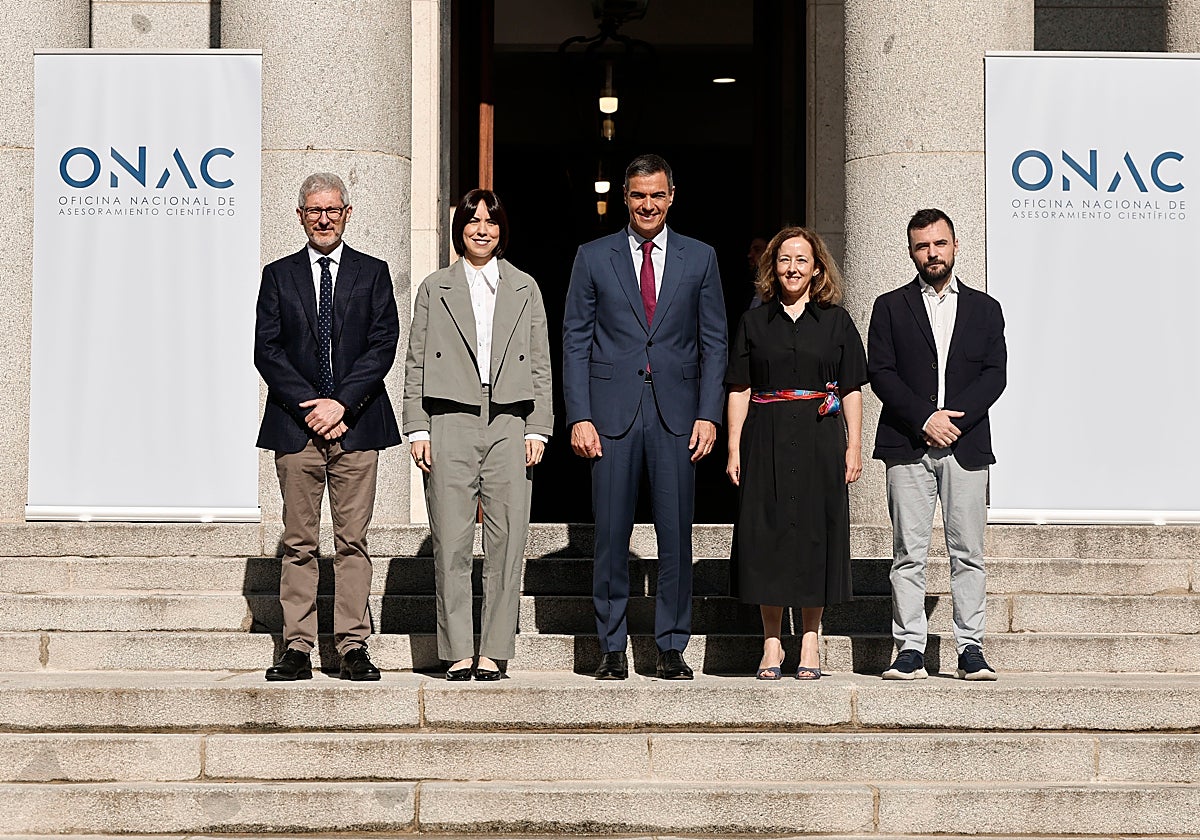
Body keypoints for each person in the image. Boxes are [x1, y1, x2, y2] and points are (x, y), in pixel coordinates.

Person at [563, 153, 728, 680]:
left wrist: (709, 414)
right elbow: (575, 341)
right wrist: (579, 416)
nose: (648, 204)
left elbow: (715, 343)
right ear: (625, 197)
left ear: (672, 196)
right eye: (639, 195)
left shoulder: (700, 258)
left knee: (675, 535)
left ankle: (671, 646)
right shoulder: (593, 256)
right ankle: (611, 647)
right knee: (611, 536)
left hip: (678, 416)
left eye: (657, 194)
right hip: (610, 416)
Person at [255, 172, 401, 681]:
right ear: (300, 216)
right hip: (296, 429)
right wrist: (310, 407)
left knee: (352, 540)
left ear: (347, 214)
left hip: (357, 426)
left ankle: (352, 645)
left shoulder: (373, 273)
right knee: (299, 541)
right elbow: (267, 350)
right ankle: (297, 647)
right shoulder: (278, 275)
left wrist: (339, 404)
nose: (323, 219)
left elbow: (383, 344)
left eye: (332, 210)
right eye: (314, 210)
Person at [403, 189, 553, 681]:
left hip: (510, 419)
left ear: (501, 229)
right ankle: (457, 651)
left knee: (507, 542)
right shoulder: (435, 287)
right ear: (460, 228)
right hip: (449, 418)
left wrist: (539, 428)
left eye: (491, 220)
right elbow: (416, 360)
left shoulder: (525, 287)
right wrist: (418, 426)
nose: (482, 229)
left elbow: (541, 363)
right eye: (473, 220)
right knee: (451, 541)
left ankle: (493, 651)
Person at [867, 208, 1007, 681]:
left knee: (968, 552)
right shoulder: (890, 306)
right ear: (911, 252)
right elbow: (880, 372)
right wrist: (925, 418)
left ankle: (971, 648)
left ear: (955, 245)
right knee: (908, 553)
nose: (932, 253)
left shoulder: (985, 309)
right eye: (922, 246)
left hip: (965, 446)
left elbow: (995, 375)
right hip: (907, 444)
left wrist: (952, 422)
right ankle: (909, 649)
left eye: (940, 243)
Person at [725, 227, 866, 680]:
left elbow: (852, 388)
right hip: (764, 437)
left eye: (802, 260)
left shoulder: (837, 322)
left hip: (820, 438)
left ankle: (809, 639)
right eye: (784, 259)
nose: (792, 268)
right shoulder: (753, 322)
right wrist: (733, 447)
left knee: (815, 534)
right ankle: (771, 642)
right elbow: (740, 387)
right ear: (773, 267)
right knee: (765, 535)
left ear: (817, 268)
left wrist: (854, 445)